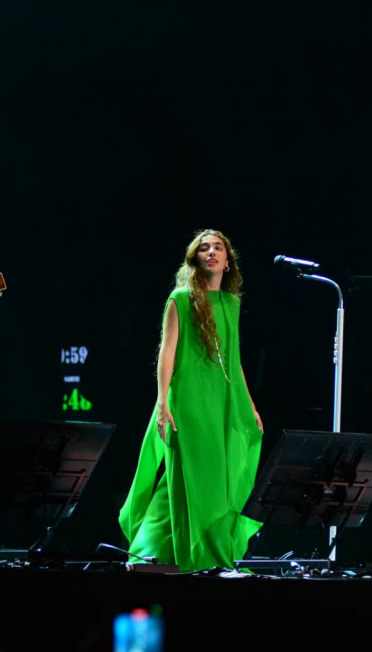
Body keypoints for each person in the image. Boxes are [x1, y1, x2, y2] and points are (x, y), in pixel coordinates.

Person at [119, 230, 264, 573]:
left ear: (228, 262)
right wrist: (162, 402)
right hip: (188, 401)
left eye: (218, 248)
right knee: (188, 477)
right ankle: (196, 558)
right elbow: (166, 353)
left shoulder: (232, 303)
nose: (211, 252)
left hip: (222, 403)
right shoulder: (180, 299)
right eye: (204, 248)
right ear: (194, 259)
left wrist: (250, 406)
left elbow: (234, 359)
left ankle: (152, 551)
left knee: (206, 481)